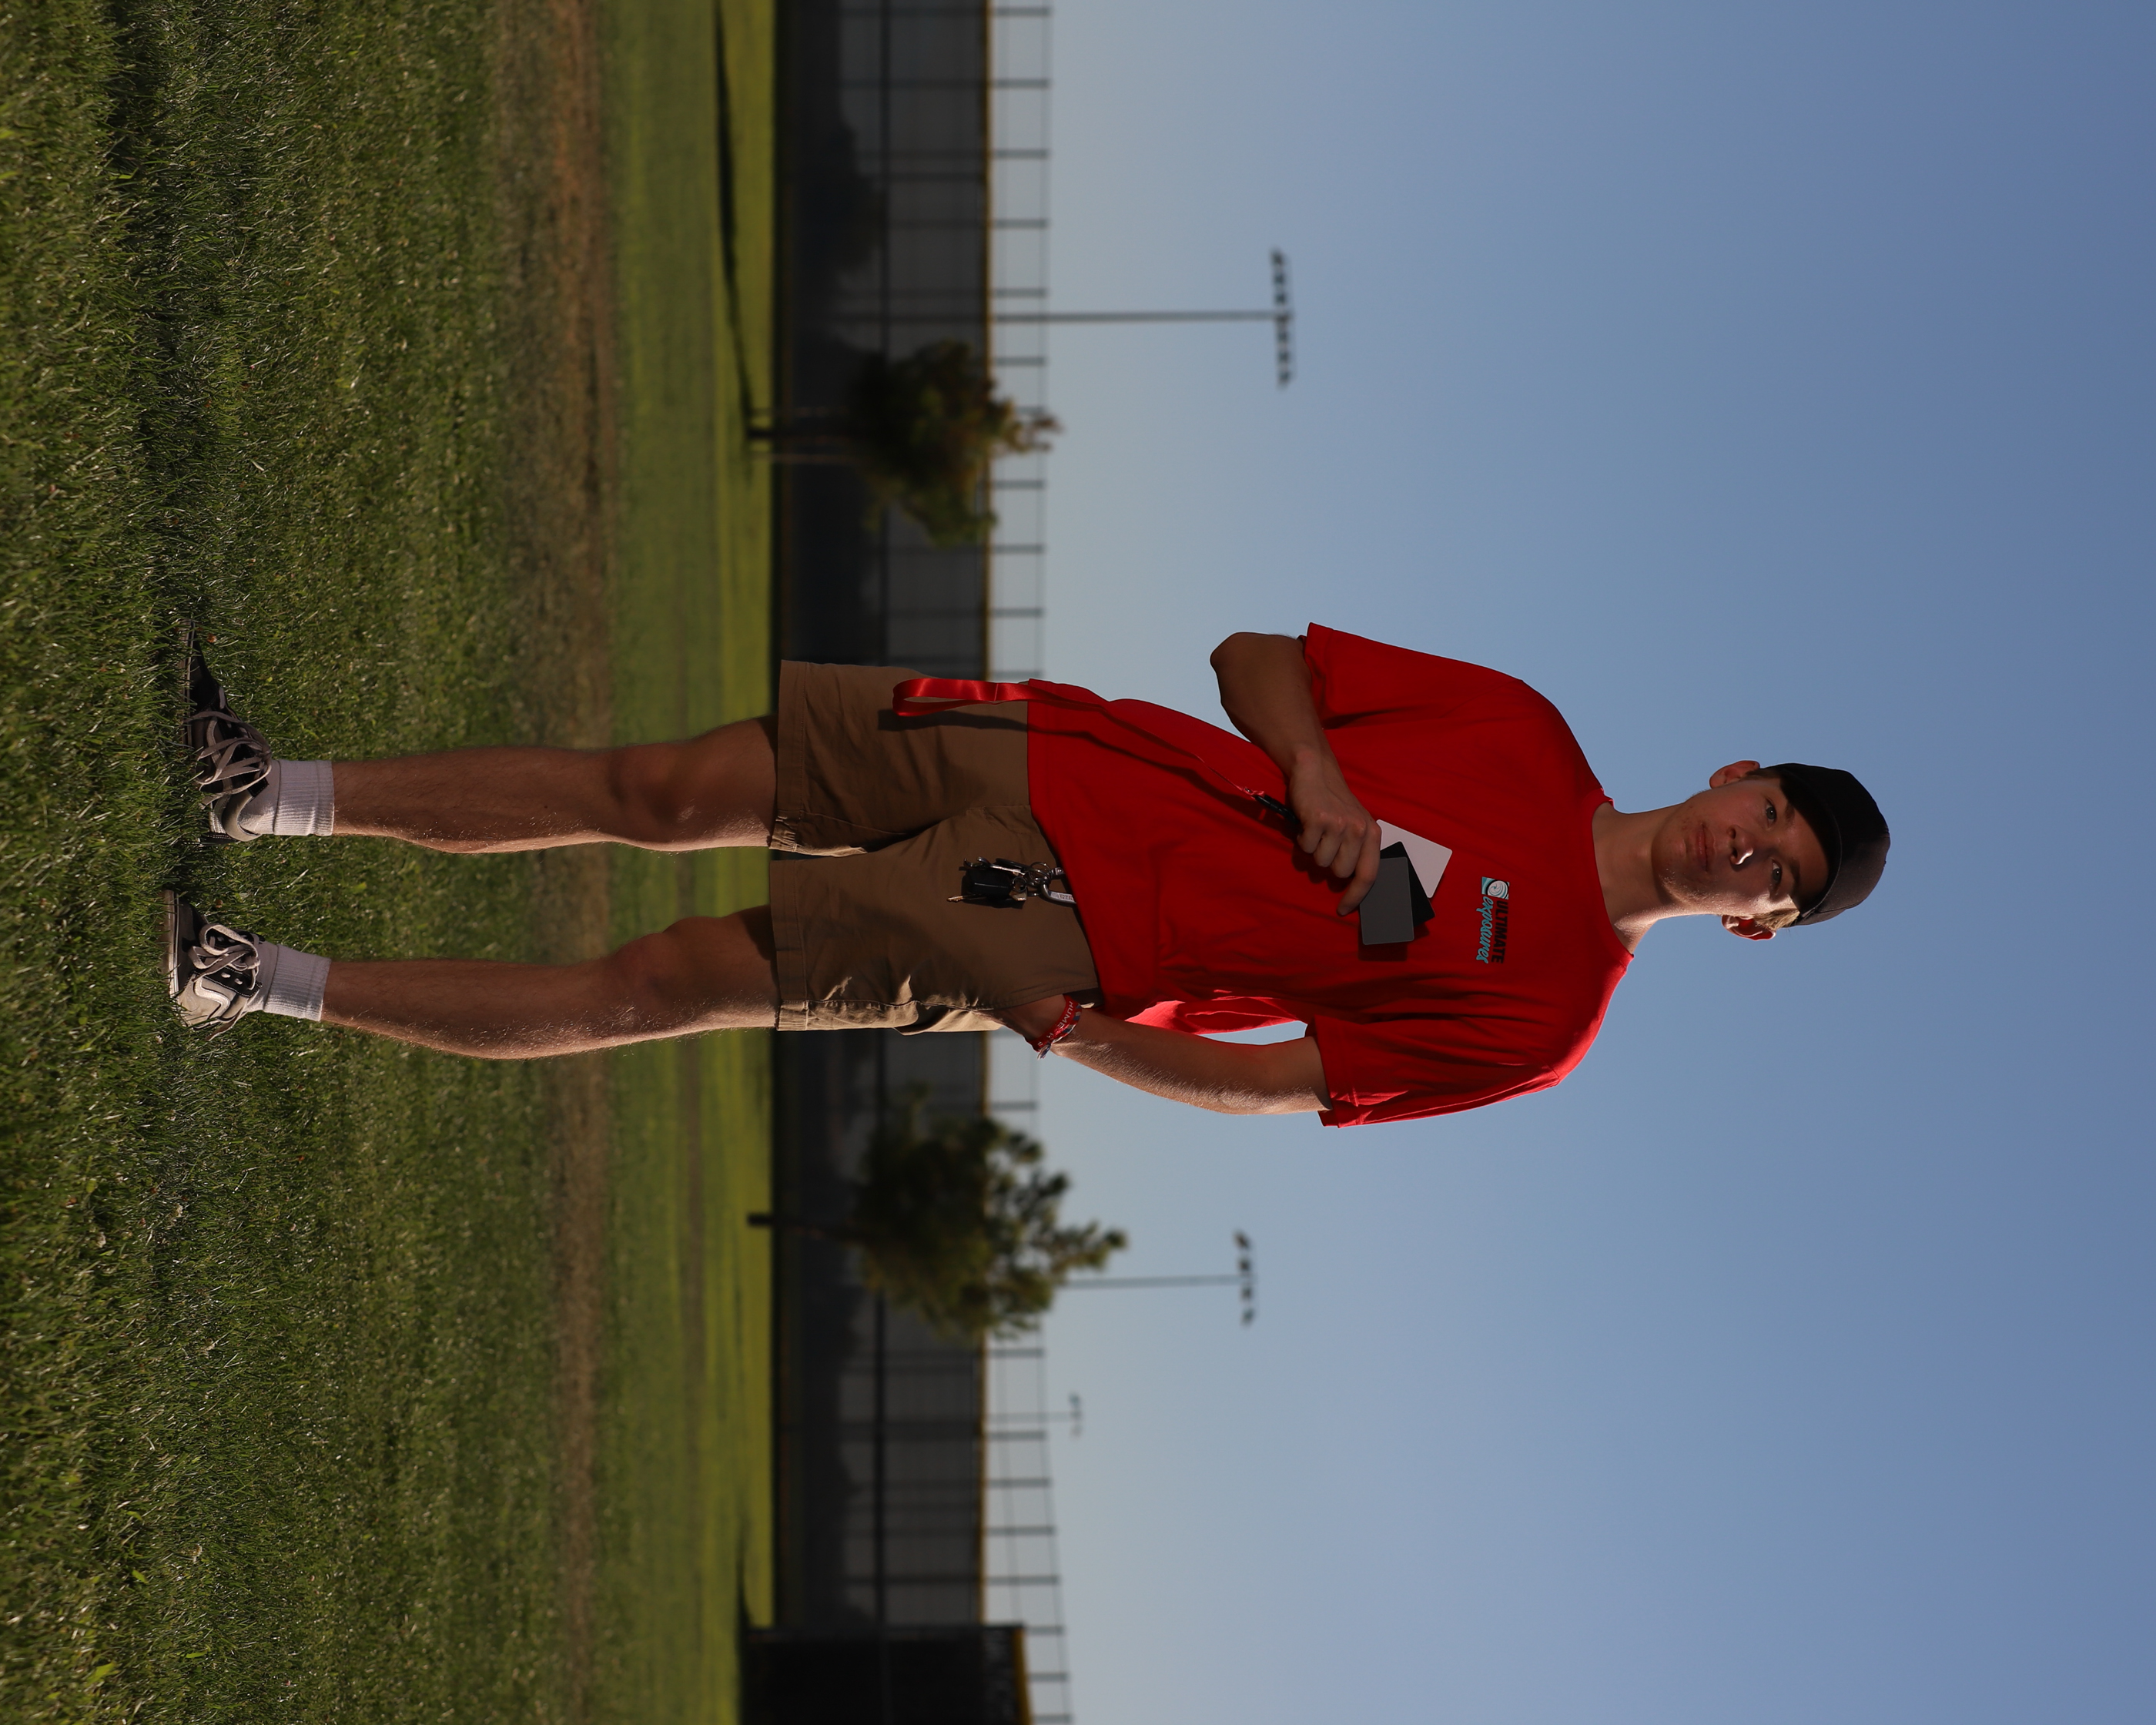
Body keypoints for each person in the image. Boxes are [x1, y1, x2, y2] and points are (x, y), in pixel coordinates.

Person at [165, 626, 1888, 1127]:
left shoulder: (1547, 1021)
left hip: (1042, 933)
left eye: (1774, 877)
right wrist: (1317, 771)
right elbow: (1254, 658)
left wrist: (1078, 1035)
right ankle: (268, 795)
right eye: (1766, 813)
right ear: (1735, 769)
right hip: (1047, 754)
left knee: (659, 981)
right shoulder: (1519, 725)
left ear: (1754, 927)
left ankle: (250, 980)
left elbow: (1284, 1083)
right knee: (659, 785)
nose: (1743, 846)